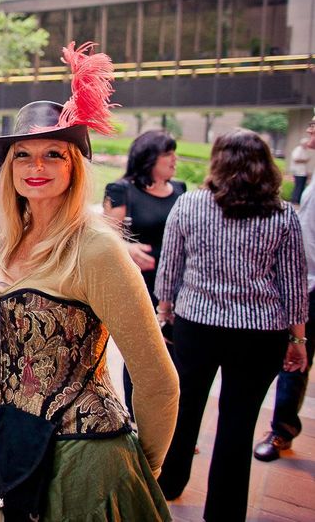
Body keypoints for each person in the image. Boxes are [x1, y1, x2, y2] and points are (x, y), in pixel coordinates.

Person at [0, 42, 179, 522]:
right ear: (8, 168)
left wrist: (141, 470)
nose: (36, 168)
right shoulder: (10, 240)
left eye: (53, 154)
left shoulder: (96, 249)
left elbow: (159, 380)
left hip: (82, 463)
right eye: (23, 156)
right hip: (0, 443)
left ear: (74, 167)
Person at [155, 129, 308, 521]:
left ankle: (170, 482)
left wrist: (165, 312)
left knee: (185, 407)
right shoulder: (283, 214)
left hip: (197, 324)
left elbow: (169, 268)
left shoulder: (189, 204)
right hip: (260, 334)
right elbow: (292, 284)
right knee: (239, 422)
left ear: (218, 161)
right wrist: (298, 339)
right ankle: (224, 512)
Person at [104, 130, 185, 415]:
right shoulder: (121, 189)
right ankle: (138, 419)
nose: (174, 160)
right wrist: (127, 247)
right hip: (140, 283)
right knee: (140, 355)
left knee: (175, 354)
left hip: (177, 285)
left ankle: (172, 421)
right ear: (149, 158)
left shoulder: (181, 189)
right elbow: (106, 237)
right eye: (168, 154)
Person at [254, 117, 315, 463]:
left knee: (297, 355)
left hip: (310, 283)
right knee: (294, 362)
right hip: (305, 282)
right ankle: (282, 429)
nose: (308, 129)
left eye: (314, 125)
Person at [289, 124, 315, 204]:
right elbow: (296, 159)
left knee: (301, 187)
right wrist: (305, 160)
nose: (308, 130)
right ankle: (295, 200)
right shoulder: (298, 149)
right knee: (298, 186)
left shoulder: (305, 150)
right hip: (298, 172)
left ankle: (298, 200)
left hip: (303, 172)